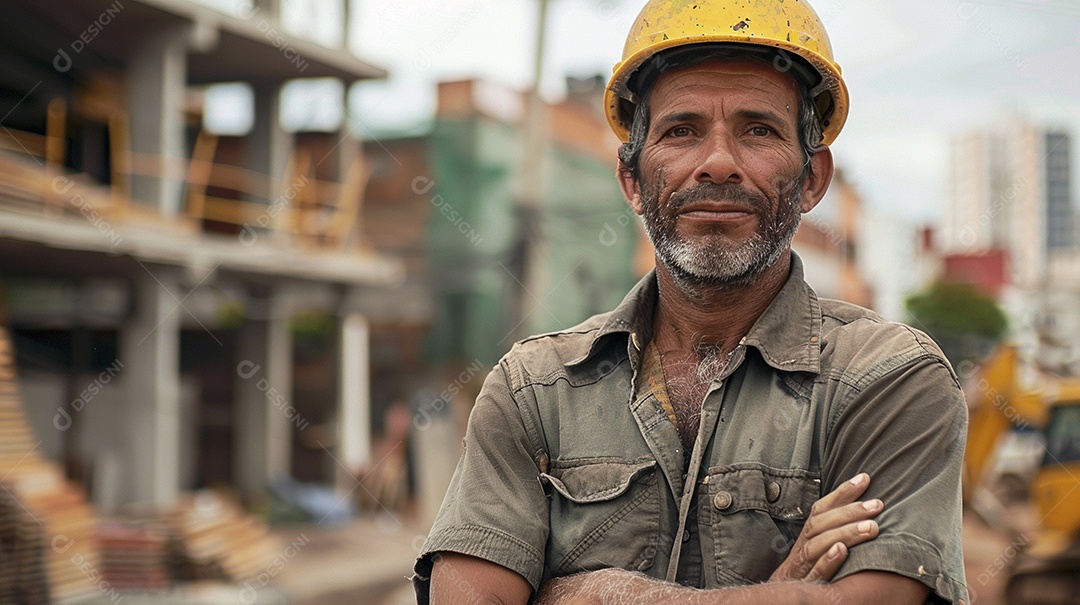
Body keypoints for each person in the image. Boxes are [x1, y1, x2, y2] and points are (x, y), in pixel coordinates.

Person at [413, 0, 969, 603]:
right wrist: (783, 591)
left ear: (812, 179)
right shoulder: (533, 391)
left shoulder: (888, 380)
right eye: (681, 131)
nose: (718, 164)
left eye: (759, 130)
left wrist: (591, 595)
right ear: (632, 180)